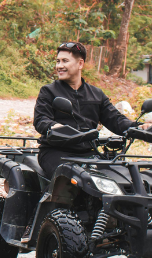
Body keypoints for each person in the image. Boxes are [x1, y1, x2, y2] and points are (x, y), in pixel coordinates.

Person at [33, 41, 140, 179]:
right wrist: (55, 127)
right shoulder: (49, 91)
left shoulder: (96, 94)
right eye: (58, 61)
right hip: (55, 152)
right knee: (70, 180)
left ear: (80, 64)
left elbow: (115, 119)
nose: (59, 66)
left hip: (88, 152)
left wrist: (138, 127)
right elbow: (41, 119)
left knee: (119, 178)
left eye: (65, 61)